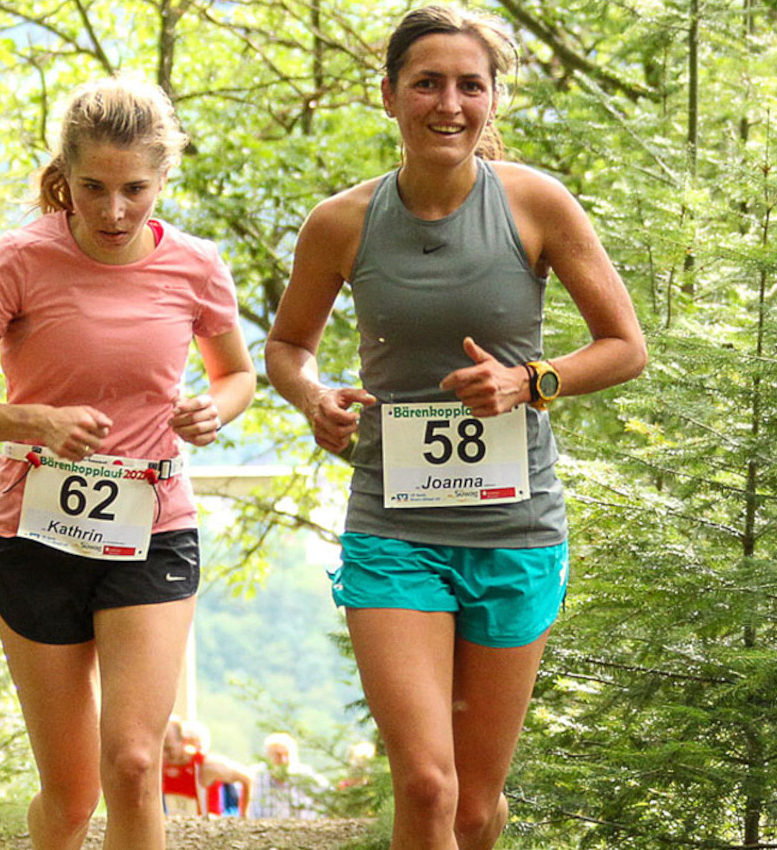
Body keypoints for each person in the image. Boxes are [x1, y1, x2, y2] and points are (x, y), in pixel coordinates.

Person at [265, 6, 646, 849]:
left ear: (492, 98)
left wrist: (530, 380)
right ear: (391, 96)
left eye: (470, 85)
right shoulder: (344, 222)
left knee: (476, 807)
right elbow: (287, 346)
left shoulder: (536, 204)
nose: (449, 103)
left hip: (516, 530)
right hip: (392, 527)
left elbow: (626, 347)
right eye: (427, 83)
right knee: (428, 788)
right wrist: (312, 396)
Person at [0, 76, 255, 850]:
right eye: (93, 188)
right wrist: (32, 419)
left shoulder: (197, 266)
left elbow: (236, 375)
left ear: (164, 178)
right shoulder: (19, 259)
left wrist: (218, 406)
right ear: (63, 178)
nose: (113, 212)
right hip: (34, 533)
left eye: (135, 190)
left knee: (136, 764)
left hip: (154, 528)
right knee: (71, 799)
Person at [161, 716, 252, 818]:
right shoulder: (160, 766)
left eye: (168, 749)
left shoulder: (206, 765)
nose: (164, 755)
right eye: (160, 750)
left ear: (184, 741)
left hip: (206, 830)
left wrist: (243, 814)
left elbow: (247, 778)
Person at [249, 731, 328, 819]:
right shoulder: (254, 776)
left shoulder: (307, 777)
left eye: (287, 755)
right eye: (277, 755)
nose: (283, 760)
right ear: (267, 756)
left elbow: (330, 797)